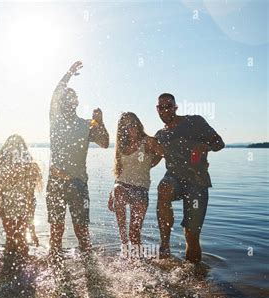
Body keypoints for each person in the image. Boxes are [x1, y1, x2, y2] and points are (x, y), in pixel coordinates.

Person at [47, 61, 110, 257]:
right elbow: (56, 91)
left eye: (72, 99)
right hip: (56, 181)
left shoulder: (86, 125)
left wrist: (100, 123)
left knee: (82, 230)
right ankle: (56, 267)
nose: (68, 101)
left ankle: (90, 267)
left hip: (79, 183)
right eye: (65, 98)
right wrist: (68, 73)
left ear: (76, 103)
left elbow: (105, 143)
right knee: (56, 231)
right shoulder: (55, 119)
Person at [155, 93, 225, 263]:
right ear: (157, 109)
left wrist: (206, 146)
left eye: (168, 106)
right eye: (161, 107)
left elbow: (219, 143)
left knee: (191, 236)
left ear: (175, 107)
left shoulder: (195, 122)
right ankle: (165, 245)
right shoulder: (160, 135)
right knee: (164, 187)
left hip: (197, 181)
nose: (164, 110)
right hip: (173, 179)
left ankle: (194, 278)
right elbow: (150, 161)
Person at [108, 112, 163, 258]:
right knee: (118, 190)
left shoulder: (148, 142)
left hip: (140, 190)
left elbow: (163, 154)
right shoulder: (122, 146)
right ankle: (123, 243)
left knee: (134, 233)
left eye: (132, 123)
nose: (129, 127)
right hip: (122, 186)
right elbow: (119, 172)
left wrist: (148, 164)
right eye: (125, 125)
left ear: (138, 124)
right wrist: (111, 194)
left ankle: (139, 262)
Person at [0, 135, 42, 256]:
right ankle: (13, 267)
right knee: (13, 239)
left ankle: (13, 268)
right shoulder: (0, 169)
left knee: (17, 239)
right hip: (8, 206)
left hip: (21, 207)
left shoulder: (30, 168)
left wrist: (32, 230)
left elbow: (29, 200)